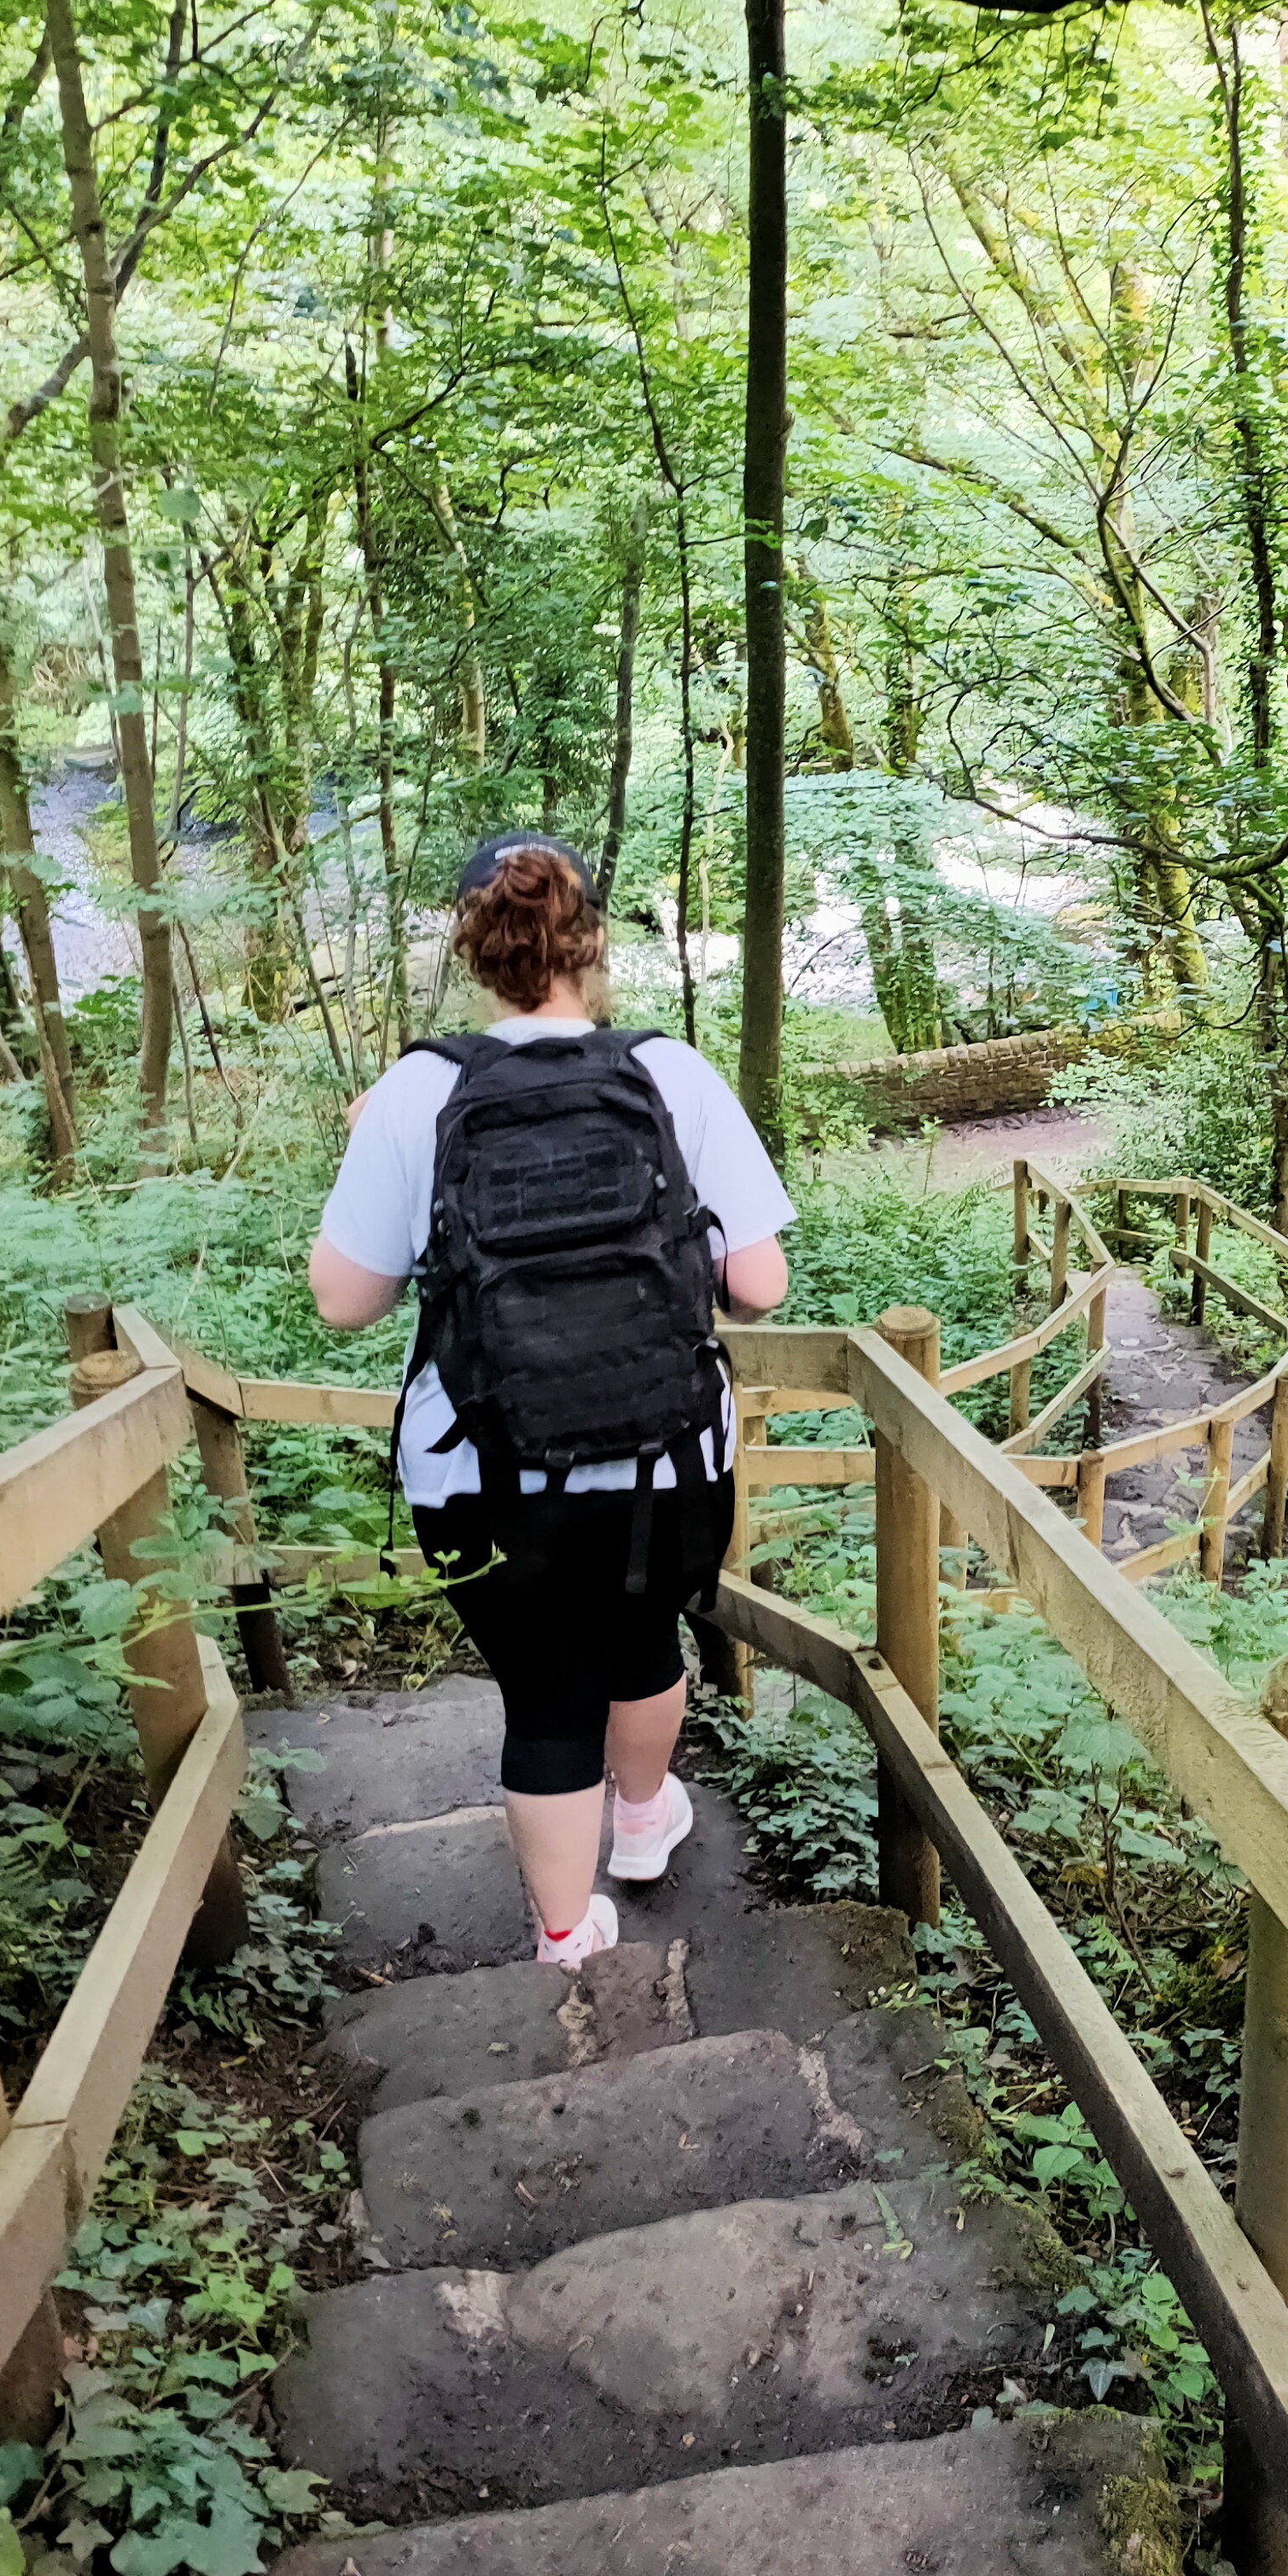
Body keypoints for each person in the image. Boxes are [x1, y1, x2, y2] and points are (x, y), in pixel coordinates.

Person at [307, 834, 792, 1968]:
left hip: (483, 1468)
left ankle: (568, 1938)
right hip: (666, 1458)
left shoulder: (419, 1094)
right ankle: (639, 1822)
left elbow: (344, 1299)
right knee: (644, 1638)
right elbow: (760, 1285)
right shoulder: (669, 1073)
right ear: (593, 945)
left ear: (475, 952)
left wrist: (372, 1144)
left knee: (547, 1695)